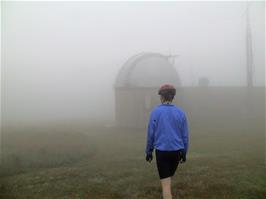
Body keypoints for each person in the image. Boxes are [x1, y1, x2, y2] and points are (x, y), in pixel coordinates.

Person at [145, 84, 189, 199]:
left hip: (162, 152)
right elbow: (185, 136)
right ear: (172, 97)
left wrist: (149, 151)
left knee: (166, 186)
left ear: (161, 97)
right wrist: (184, 152)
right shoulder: (181, 113)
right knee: (168, 180)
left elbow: (151, 134)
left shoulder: (155, 112)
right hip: (176, 152)